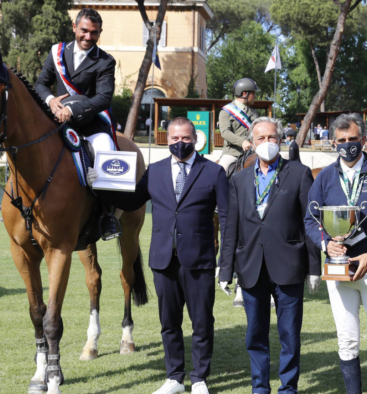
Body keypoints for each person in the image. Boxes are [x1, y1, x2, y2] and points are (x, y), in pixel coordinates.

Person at [93, 118, 228, 394]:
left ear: (196, 139)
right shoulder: (154, 171)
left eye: (186, 138)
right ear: (168, 140)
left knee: (201, 322)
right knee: (169, 323)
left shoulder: (214, 172)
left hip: (199, 260)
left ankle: (199, 378)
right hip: (163, 260)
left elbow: (227, 217)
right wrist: (103, 186)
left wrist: (226, 260)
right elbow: (131, 201)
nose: (180, 143)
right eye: (175, 138)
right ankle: (175, 378)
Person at [304, 114, 367, 394]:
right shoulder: (324, 176)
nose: (347, 145)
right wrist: (326, 244)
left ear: (362, 140)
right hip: (339, 269)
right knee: (347, 341)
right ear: (333, 143)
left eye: (352, 139)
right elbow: (310, 220)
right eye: (341, 141)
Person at [219, 117, 321, 394]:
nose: (267, 143)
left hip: (289, 267)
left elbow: (310, 222)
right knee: (255, 336)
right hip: (251, 269)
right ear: (252, 143)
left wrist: (314, 268)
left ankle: (288, 388)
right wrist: (225, 270)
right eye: (261, 138)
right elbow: (231, 229)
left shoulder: (299, 173)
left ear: (281, 140)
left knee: (289, 335)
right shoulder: (239, 180)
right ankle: (259, 388)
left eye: (272, 137)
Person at [35, 8, 121, 240]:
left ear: (99, 33)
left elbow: (104, 98)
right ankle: (16, 203)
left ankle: (106, 216)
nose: (88, 37)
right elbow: (41, 84)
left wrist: (72, 109)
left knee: (107, 151)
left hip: (92, 122)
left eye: (94, 33)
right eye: (84, 30)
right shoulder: (56, 52)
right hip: (57, 122)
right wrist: (51, 100)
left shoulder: (106, 61)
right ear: (74, 27)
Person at [218, 78, 260, 173]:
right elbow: (225, 132)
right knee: (219, 173)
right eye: (253, 93)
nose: (255, 96)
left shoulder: (254, 113)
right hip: (233, 153)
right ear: (245, 93)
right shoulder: (225, 112)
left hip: (252, 152)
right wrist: (242, 142)